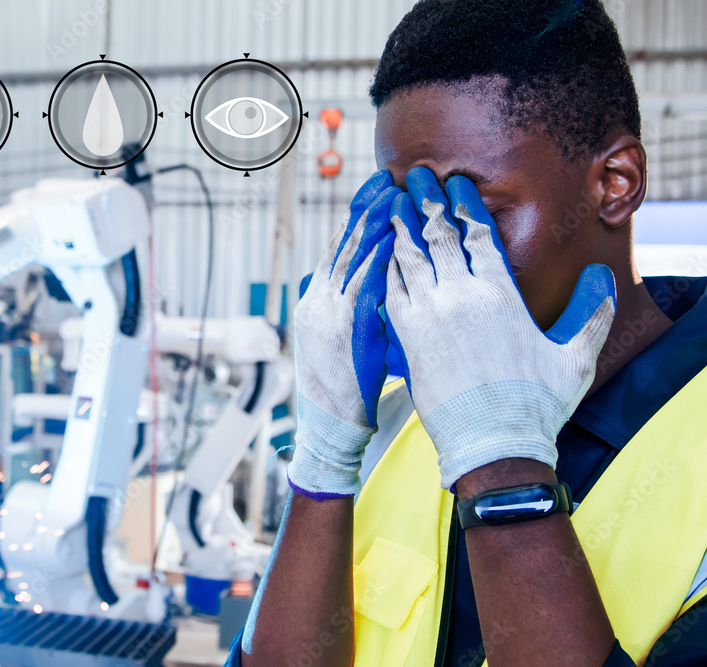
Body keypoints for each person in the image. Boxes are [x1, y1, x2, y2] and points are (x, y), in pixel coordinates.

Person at [226, 0, 707, 665]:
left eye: (471, 209)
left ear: (615, 183)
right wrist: (323, 464)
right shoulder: (405, 421)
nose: (428, 251)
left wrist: (502, 468)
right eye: (407, 210)